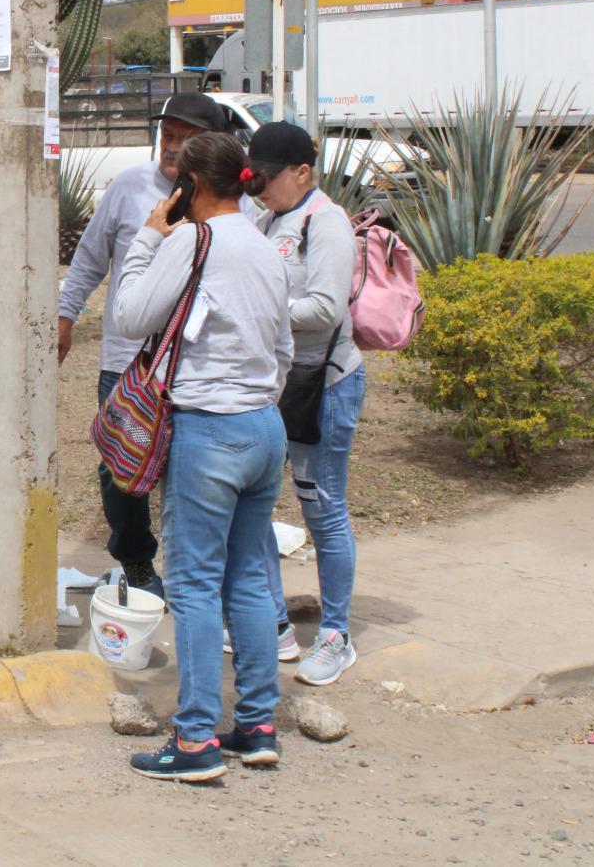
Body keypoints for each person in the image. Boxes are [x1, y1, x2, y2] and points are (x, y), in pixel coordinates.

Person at [111, 131, 293, 783]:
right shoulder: (266, 247)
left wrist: (148, 238)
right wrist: (255, 400)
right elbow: (284, 351)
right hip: (262, 429)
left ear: (190, 186)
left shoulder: (191, 240)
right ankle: (258, 726)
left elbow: (130, 315)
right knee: (247, 578)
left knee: (191, 586)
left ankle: (193, 742)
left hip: (208, 431)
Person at [57, 92, 229, 599]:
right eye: (167, 136)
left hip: (195, 367)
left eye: (185, 138)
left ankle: (189, 574)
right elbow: (89, 259)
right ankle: (135, 561)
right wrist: (66, 316)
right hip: (125, 364)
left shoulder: (221, 205)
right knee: (121, 469)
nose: (171, 148)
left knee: (188, 474)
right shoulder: (131, 187)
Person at [250, 122, 365, 687]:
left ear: (302, 172)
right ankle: (273, 626)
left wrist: (257, 308)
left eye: (269, 178)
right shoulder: (267, 217)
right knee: (258, 506)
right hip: (277, 384)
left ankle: (335, 635)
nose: (260, 187)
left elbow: (323, 307)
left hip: (325, 385)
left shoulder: (329, 223)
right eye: (255, 178)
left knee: (323, 510)